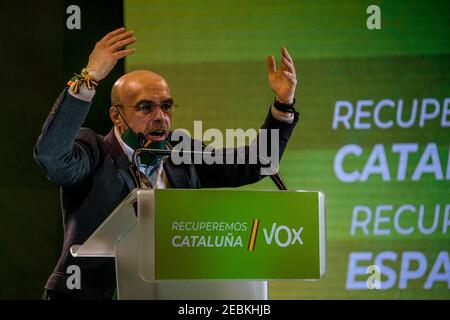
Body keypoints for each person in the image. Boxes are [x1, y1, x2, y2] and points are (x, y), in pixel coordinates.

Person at [34, 27, 299, 299]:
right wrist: (88, 79)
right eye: (146, 107)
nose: (161, 117)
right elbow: (51, 156)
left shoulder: (183, 152)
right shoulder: (93, 151)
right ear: (116, 116)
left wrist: (283, 104)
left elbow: (256, 163)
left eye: (167, 106)